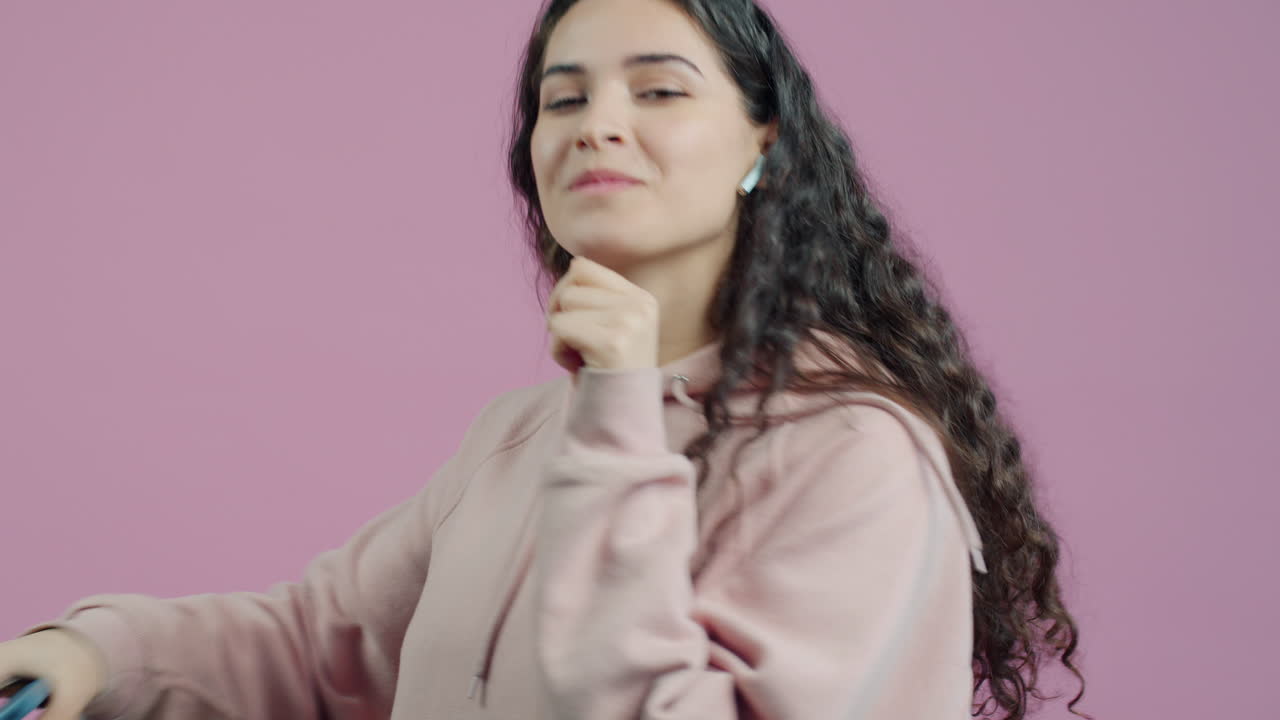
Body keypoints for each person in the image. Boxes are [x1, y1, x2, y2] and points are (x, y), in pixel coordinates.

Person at [0, 0, 1092, 718]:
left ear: (765, 147)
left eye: (656, 90)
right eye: (562, 98)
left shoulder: (851, 449)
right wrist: (100, 658)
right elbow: (323, 645)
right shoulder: (522, 436)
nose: (594, 124)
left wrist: (616, 407)